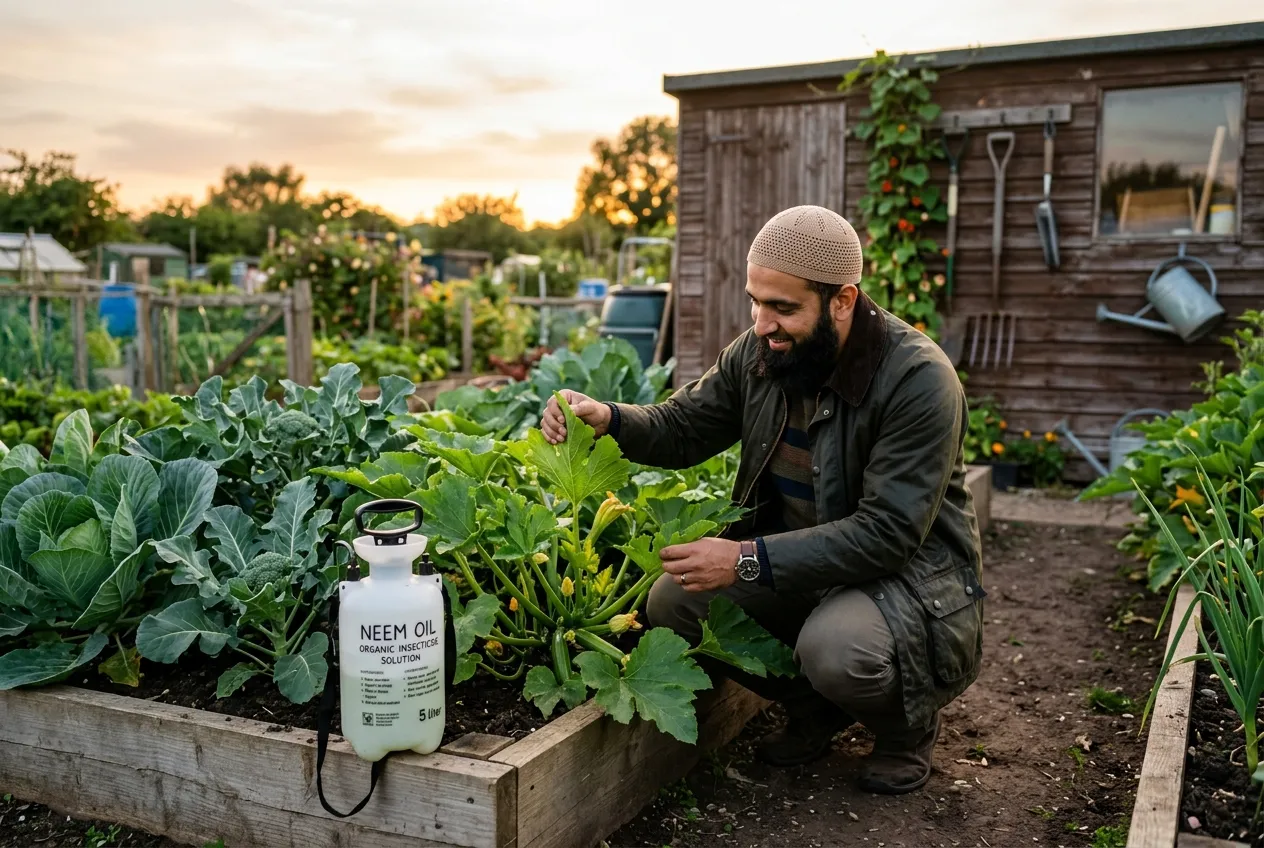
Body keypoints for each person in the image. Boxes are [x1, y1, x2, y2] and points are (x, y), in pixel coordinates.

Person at [541, 204, 985, 795]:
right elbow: (684, 427)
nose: (762, 323)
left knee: (835, 648)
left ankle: (905, 728)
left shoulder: (917, 379)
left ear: (843, 300)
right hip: (800, 562)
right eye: (755, 301)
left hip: (902, 583)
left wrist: (744, 558)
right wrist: (610, 419)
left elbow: (886, 536)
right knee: (674, 600)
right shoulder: (762, 353)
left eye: (783, 307)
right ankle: (816, 711)